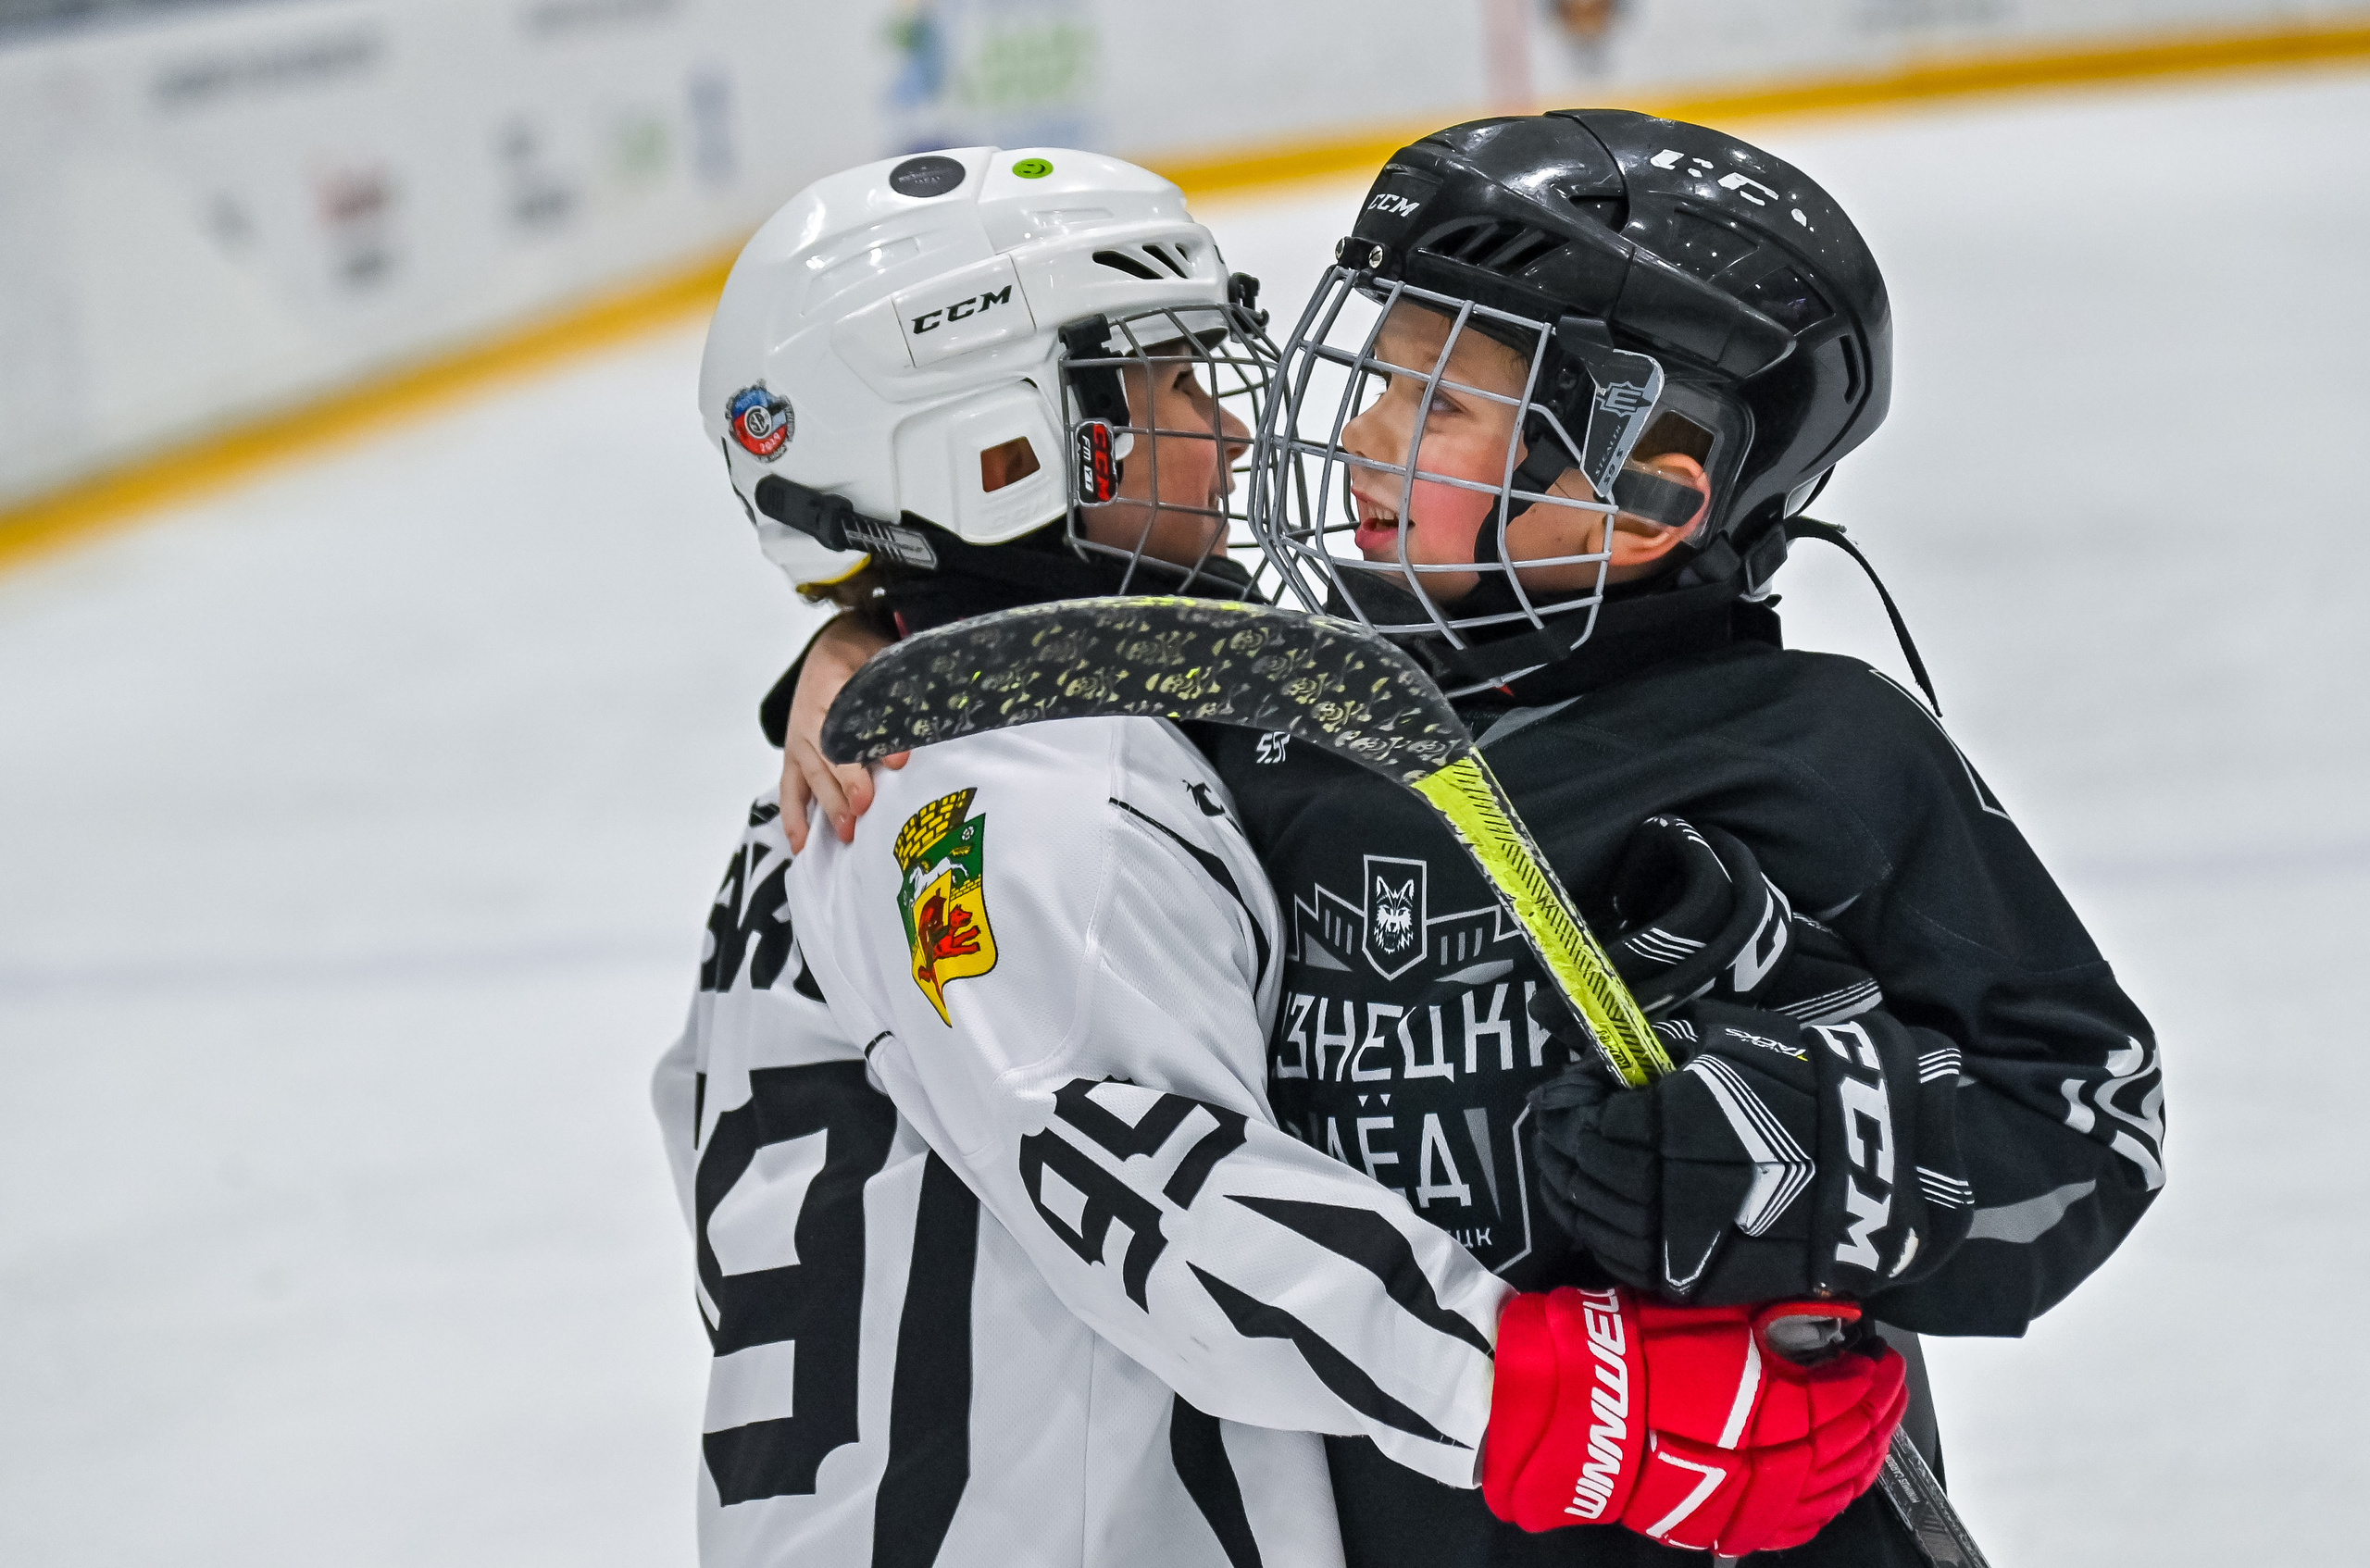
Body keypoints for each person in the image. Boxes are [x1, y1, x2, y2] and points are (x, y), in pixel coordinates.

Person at [781, 112, 2162, 1566]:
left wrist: (1798, 1155)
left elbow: (2087, 1128)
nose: (1357, 433)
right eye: (1377, 371)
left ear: (1642, 494)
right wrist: (855, 645)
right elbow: (1035, 649)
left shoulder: (1824, 753)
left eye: (1431, 404)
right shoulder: (1279, 707)